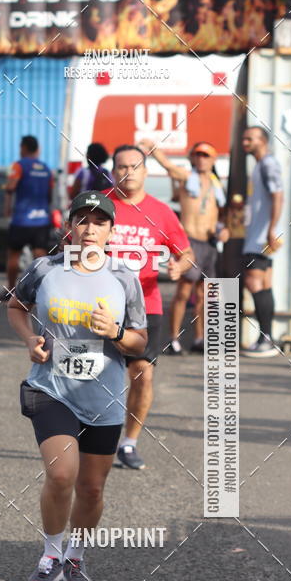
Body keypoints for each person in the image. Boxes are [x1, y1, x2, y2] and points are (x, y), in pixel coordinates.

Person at [8, 191, 147, 581]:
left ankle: (76, 556)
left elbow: (140, 343)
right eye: (81, 221)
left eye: (98, 222)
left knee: (91, 489)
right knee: (62, 473)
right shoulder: (45, 268)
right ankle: (50, 555)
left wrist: (117, 333)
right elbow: (16, 306)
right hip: (51, 389)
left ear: (110, 231)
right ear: (69, 227)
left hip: (103, 396)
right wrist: (29, 339)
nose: (89, 229)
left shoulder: (124, 277)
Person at [109, 144, 195, 470]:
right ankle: (86, 437)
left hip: (145, 306)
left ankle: (128, 444)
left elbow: (186, 253)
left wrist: (179, 267)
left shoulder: (161, 212)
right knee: (94, 375)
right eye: (120, 166)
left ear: (146, 171)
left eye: (134, 166)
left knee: (142, 375)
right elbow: (68, 244)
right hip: (98, 306)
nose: (127, 172)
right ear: (113, 170)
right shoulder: (99, 206)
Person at [138, 139, 229, 354]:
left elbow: (221, 214)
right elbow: (169, 166)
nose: (201, 159)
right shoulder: (189, 178)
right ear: (193, 158)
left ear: (213, 159)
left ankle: (199, 338)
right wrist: (153, 149)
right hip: (191, 243)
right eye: (198, 154)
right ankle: (174, 339)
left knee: (205, 295)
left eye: (206, 155)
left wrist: (223, 230)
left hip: (210, 244)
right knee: (183, 293)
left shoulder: (216, 185)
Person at [240, 126, 284, 357]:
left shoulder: (268, 164)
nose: (245, 141)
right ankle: (266, 338)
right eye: (244, 138)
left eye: (250, 138)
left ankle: (266, 338)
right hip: (257, 234)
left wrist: (271, 229)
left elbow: (278, 195)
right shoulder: (260, 165)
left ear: (263, 141)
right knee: (264, 284)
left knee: (253, 282)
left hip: (260, 237)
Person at [0, 135, 54, 301]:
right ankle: (44, 289)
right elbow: (50, 193)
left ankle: (11, 289)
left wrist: (7, 194)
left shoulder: (18, 166)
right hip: (42, 219)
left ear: (25, 147)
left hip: (21, 219)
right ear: (37, 149)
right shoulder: (46, 168)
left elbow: (11, 187)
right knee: (40, 256)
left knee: (13, 255)